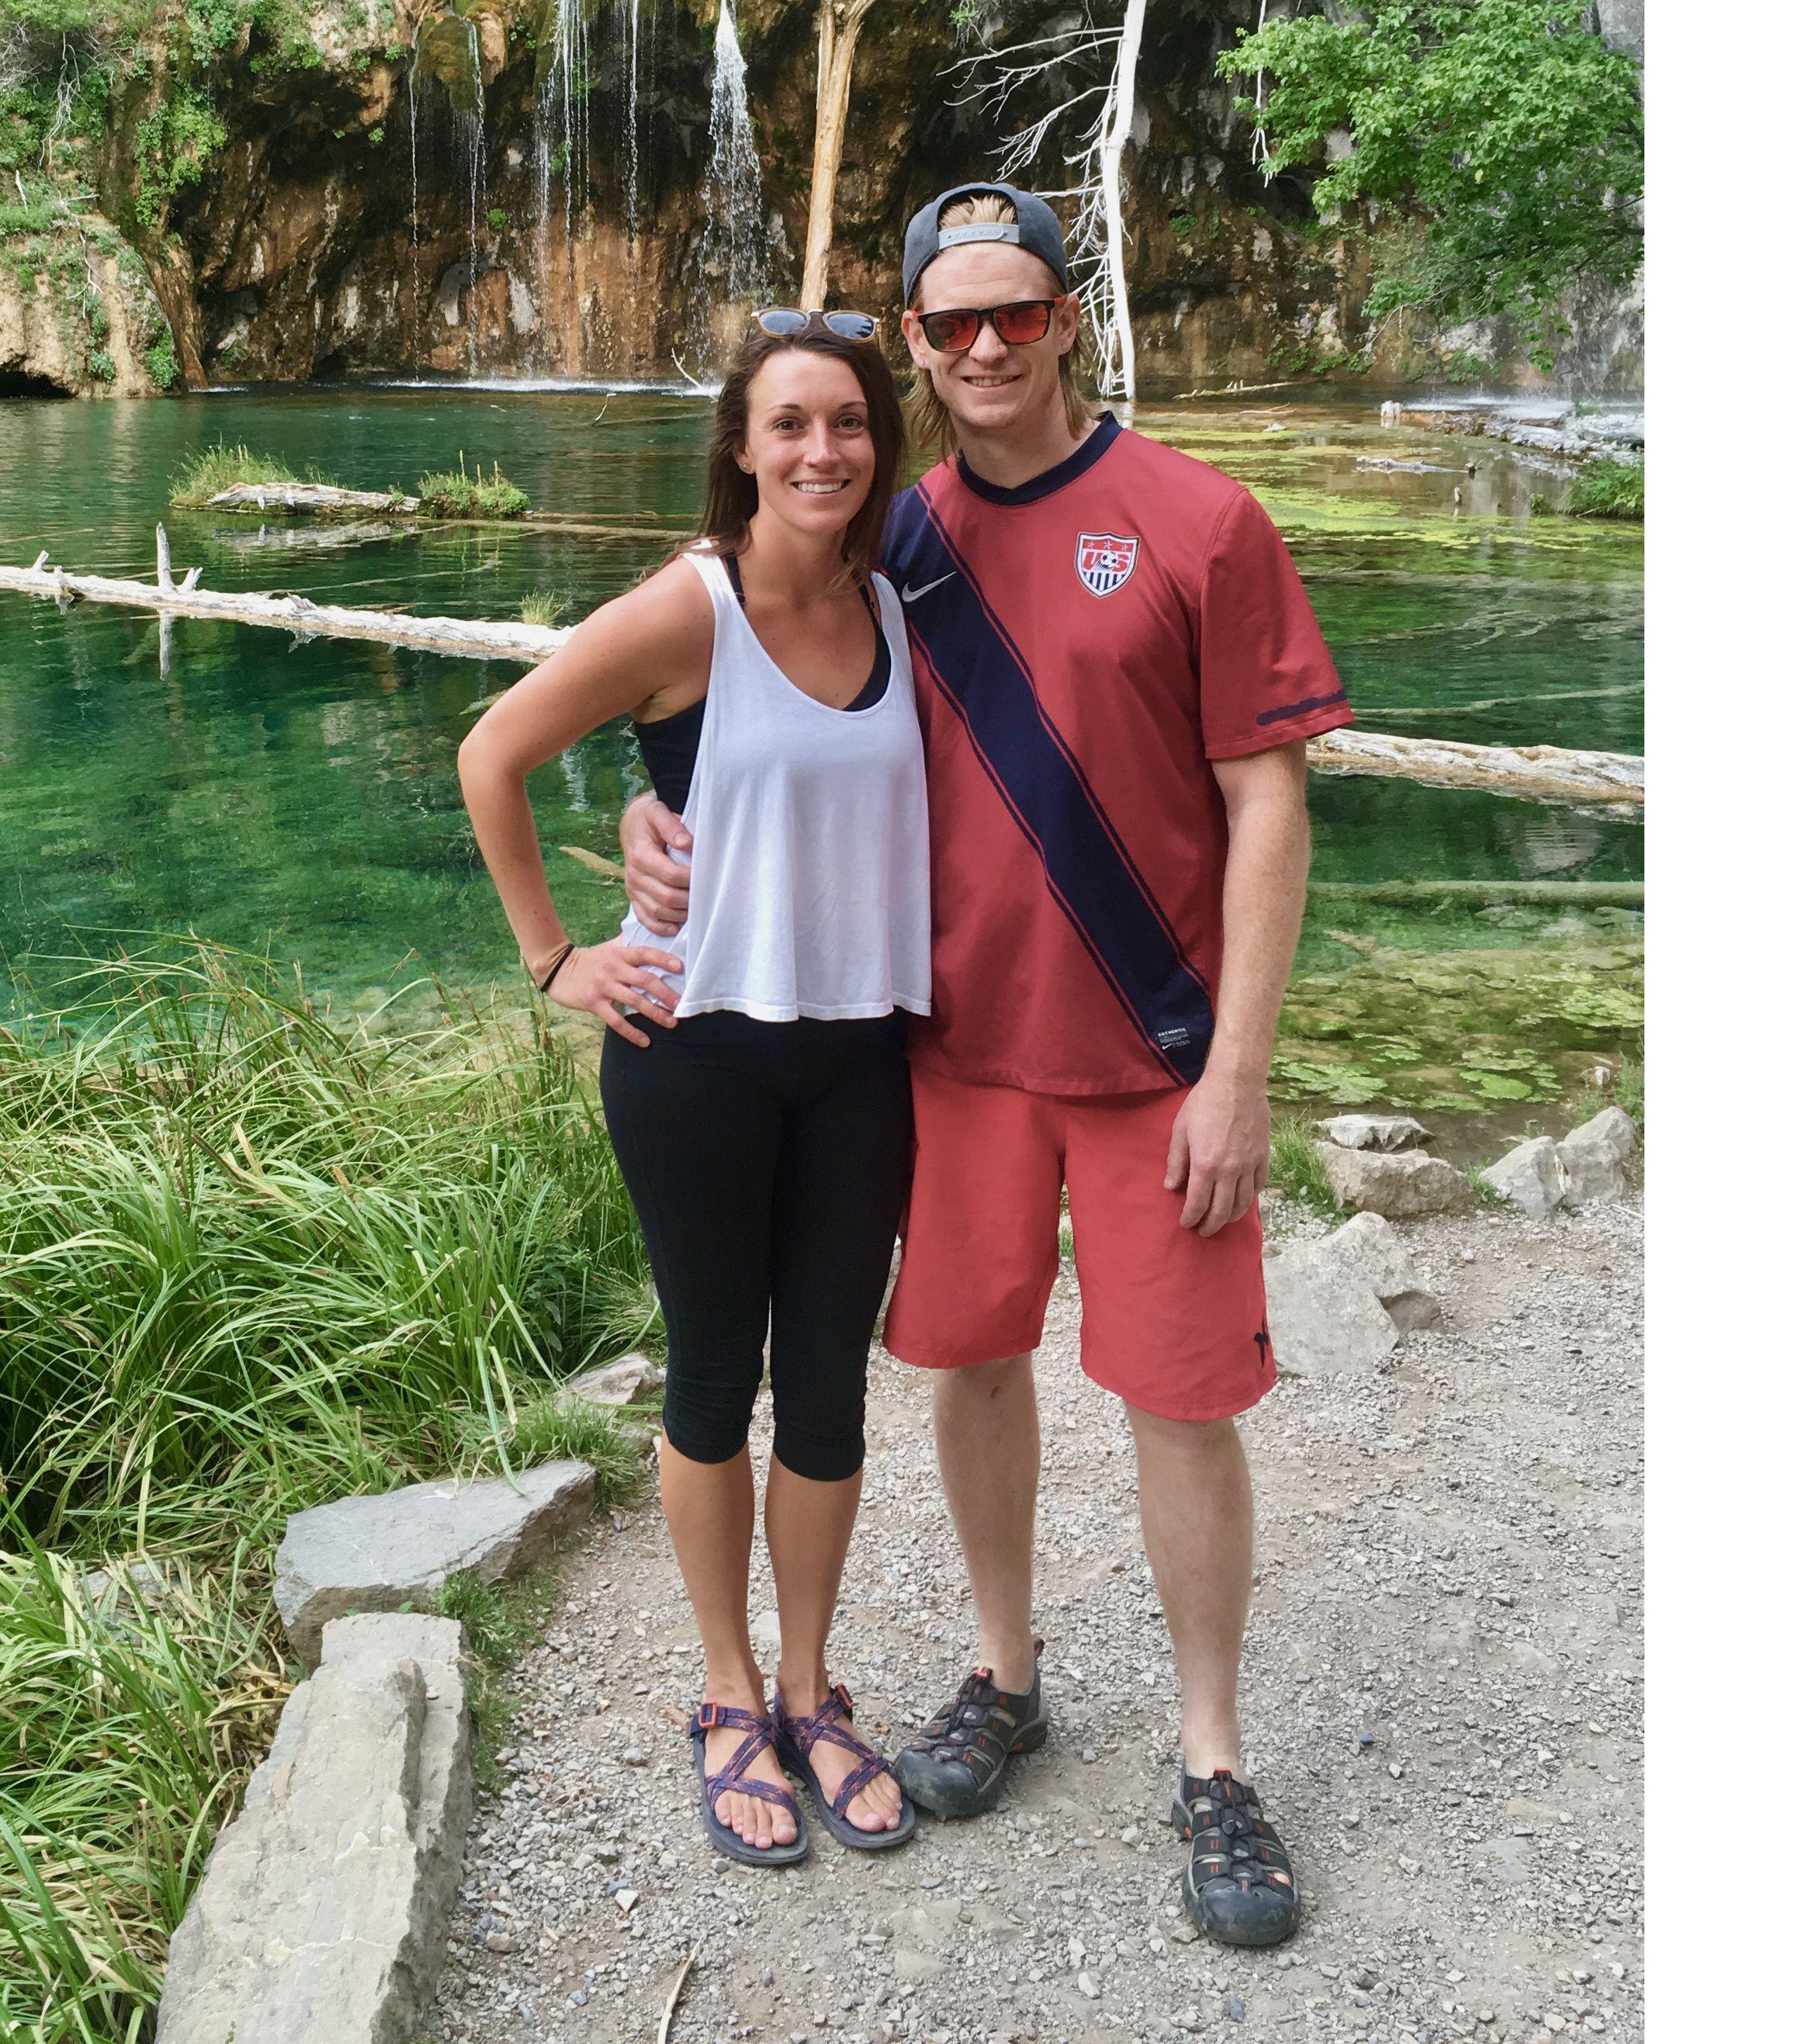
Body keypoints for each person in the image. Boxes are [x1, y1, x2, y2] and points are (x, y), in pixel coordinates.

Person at [621, 184, 1354, 1948]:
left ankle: (1212, 1761)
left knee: (1179, 1401)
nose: (984, 348)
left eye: (1013, 313)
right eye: (948, 327)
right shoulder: (894, 537)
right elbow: (742, 682)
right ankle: (1005, 1675)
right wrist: (648, 815)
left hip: (1155, 1058)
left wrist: (1241, 1069)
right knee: (970, 1367)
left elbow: (1270, 802)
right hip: (946, 1057)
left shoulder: (1199, 517)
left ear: (1066, 313)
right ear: (918, 347)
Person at [456, 312, 932, 1867]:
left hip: (860, 1055)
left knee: (836, 1392)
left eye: (847, 423)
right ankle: (727, 1693)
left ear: (879, 445)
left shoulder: (899, 600)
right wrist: (555, 958)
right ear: (740, 446)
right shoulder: (690, 608)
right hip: (700, 1056)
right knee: (716, 1375)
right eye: (788, 424)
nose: (821, 450)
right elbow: (495, 749)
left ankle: (812, 1687)